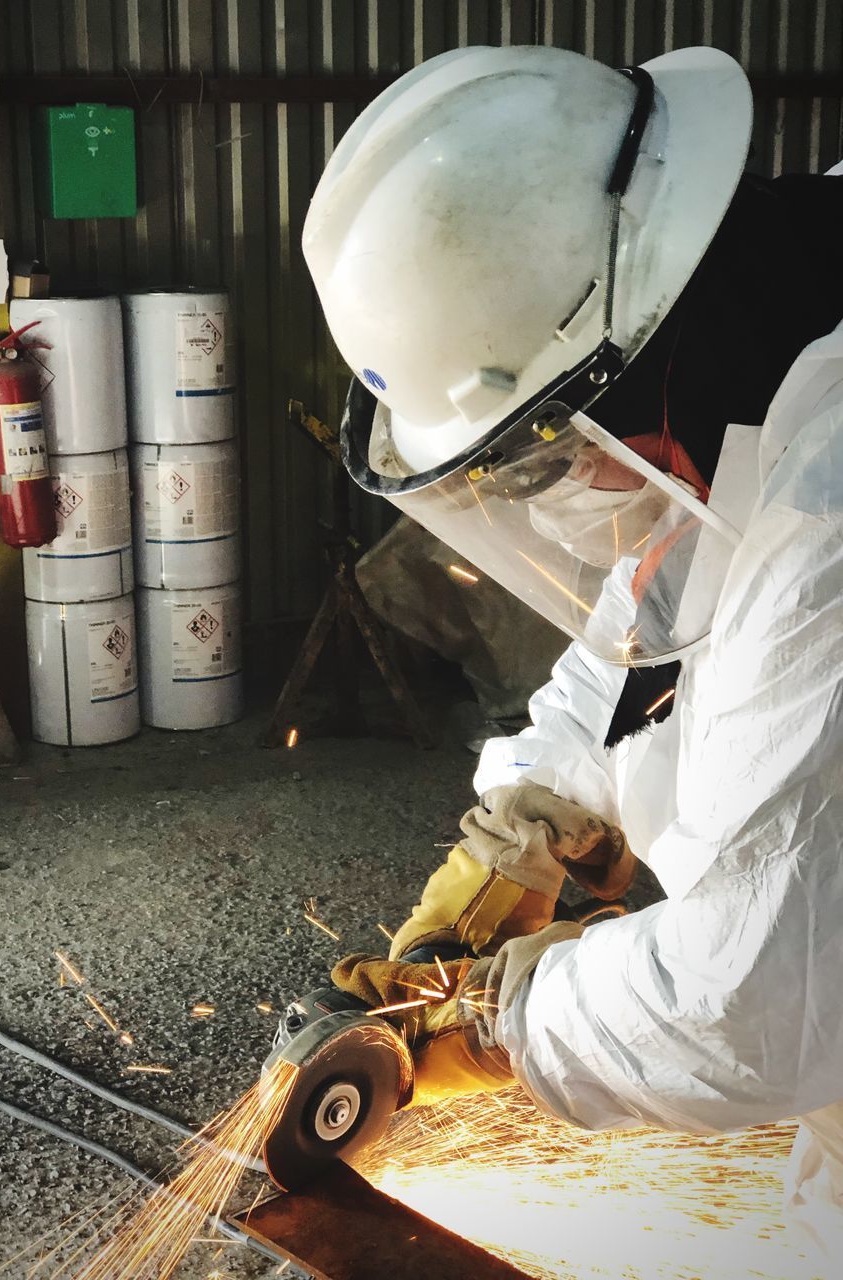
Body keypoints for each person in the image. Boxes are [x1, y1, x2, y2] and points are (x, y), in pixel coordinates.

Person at [302, 43, 843, 1265]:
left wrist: (502, 1021)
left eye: (545, 458)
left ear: (637, 355)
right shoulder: (758, 346)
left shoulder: (829, 515)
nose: (555, 503)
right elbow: (650, 624)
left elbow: (745, 1000)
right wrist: (529, 818)